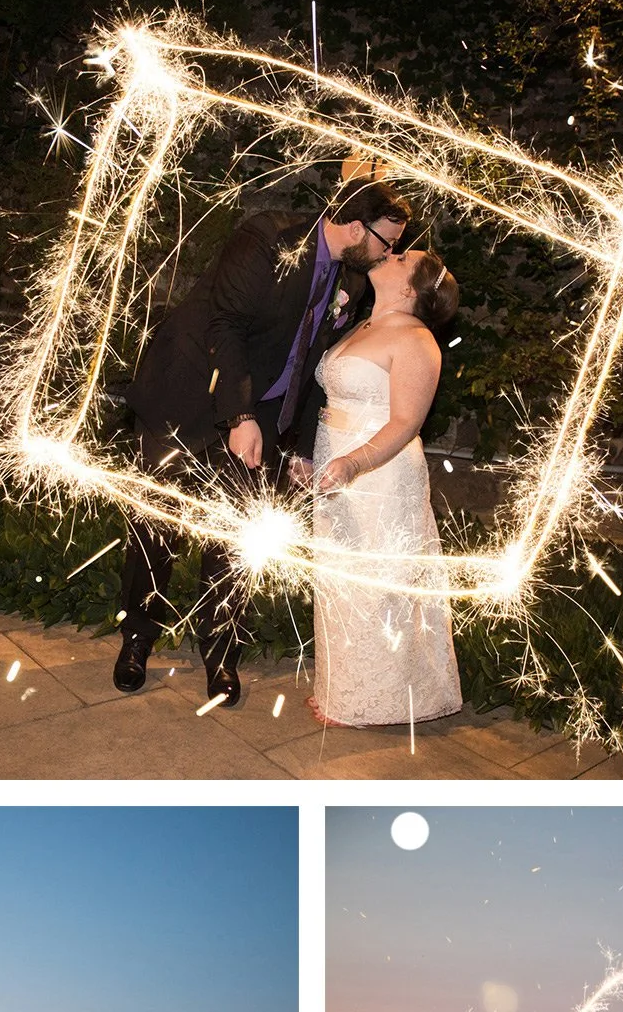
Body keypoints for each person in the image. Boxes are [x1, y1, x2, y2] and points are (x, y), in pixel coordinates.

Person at [118, 180, 411, 707]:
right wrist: (239, 414)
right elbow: (224, 325)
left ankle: (221, 655)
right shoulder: (267, 239)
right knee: (157, 523)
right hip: (189, 395)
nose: (389, 254)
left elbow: (312, 363)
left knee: (236, 538)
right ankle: (137, 639)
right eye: (385, 242)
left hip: (267, 417)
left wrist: (293, 440)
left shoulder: (354, 281)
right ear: (352, 226)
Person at [308, 247, 463, 728]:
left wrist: (355, 463)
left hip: (380, 471)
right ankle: (344, 689)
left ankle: (383, 699)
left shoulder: (417, 340)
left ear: (410, 289)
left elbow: (405, 423)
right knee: (339, 577)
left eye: (402, 258)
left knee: (379, 584)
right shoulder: (362, 324)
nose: (390, 254)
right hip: (333, 460)